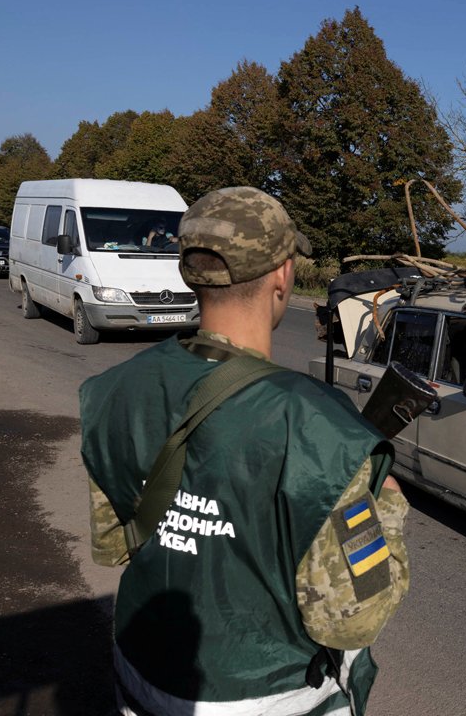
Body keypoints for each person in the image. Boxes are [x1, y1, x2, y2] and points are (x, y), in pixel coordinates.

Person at [80, 187, 409, 715]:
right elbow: (352, 621)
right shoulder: (320, 426)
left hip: (141, 676)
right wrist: (387, 504)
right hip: (269, 696)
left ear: (193, 273)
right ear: (282, 276)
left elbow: (111, 545)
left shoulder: (113, 389)